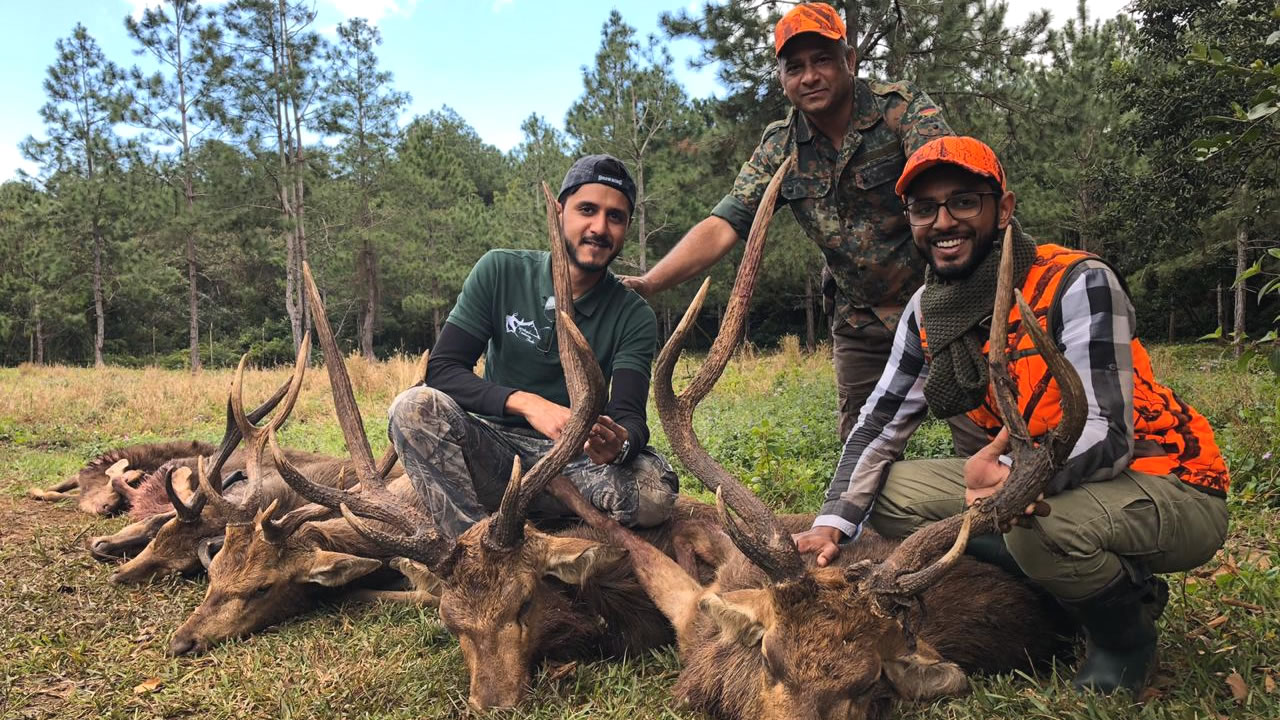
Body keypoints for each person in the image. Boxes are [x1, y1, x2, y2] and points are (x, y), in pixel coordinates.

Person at [792, 135, 1231, 695]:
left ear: (1003, 209)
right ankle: (1073, 588)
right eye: (924, 208)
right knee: (887, 493)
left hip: (1166, 479)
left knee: (1040, 524)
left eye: (963, 202)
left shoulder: (1076, 282)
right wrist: (832, 522)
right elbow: (879, 423)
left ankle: (1125, 637)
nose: (943, 222)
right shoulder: (928, 310)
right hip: (1043, 471)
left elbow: (1107, 433)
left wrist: (1009, 485)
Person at [624, 2, 983, 452]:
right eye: (794, 67)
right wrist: (651, 282)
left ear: (849, 60)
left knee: (983, 438)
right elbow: (723, 224)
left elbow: (951, 183)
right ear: (782, 78)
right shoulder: (780, 148)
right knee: (862, 454)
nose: (810, 76)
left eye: (822, 60)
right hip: (861, 318)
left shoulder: (901, 110)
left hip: (941, 302)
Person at [387, 154, 678, 538]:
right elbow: (443, 370)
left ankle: (542, 521)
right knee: (412, 408)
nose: (599, 227)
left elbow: (629, 415)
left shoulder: (633, 314)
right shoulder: (499, 271)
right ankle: (473, 546)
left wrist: (619, 445)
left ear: (626, 227)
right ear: (558, 212)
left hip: (578, 462)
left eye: (615, 217)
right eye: (587, 210)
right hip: (496, 453)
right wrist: (526, 403)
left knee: (654, 492)